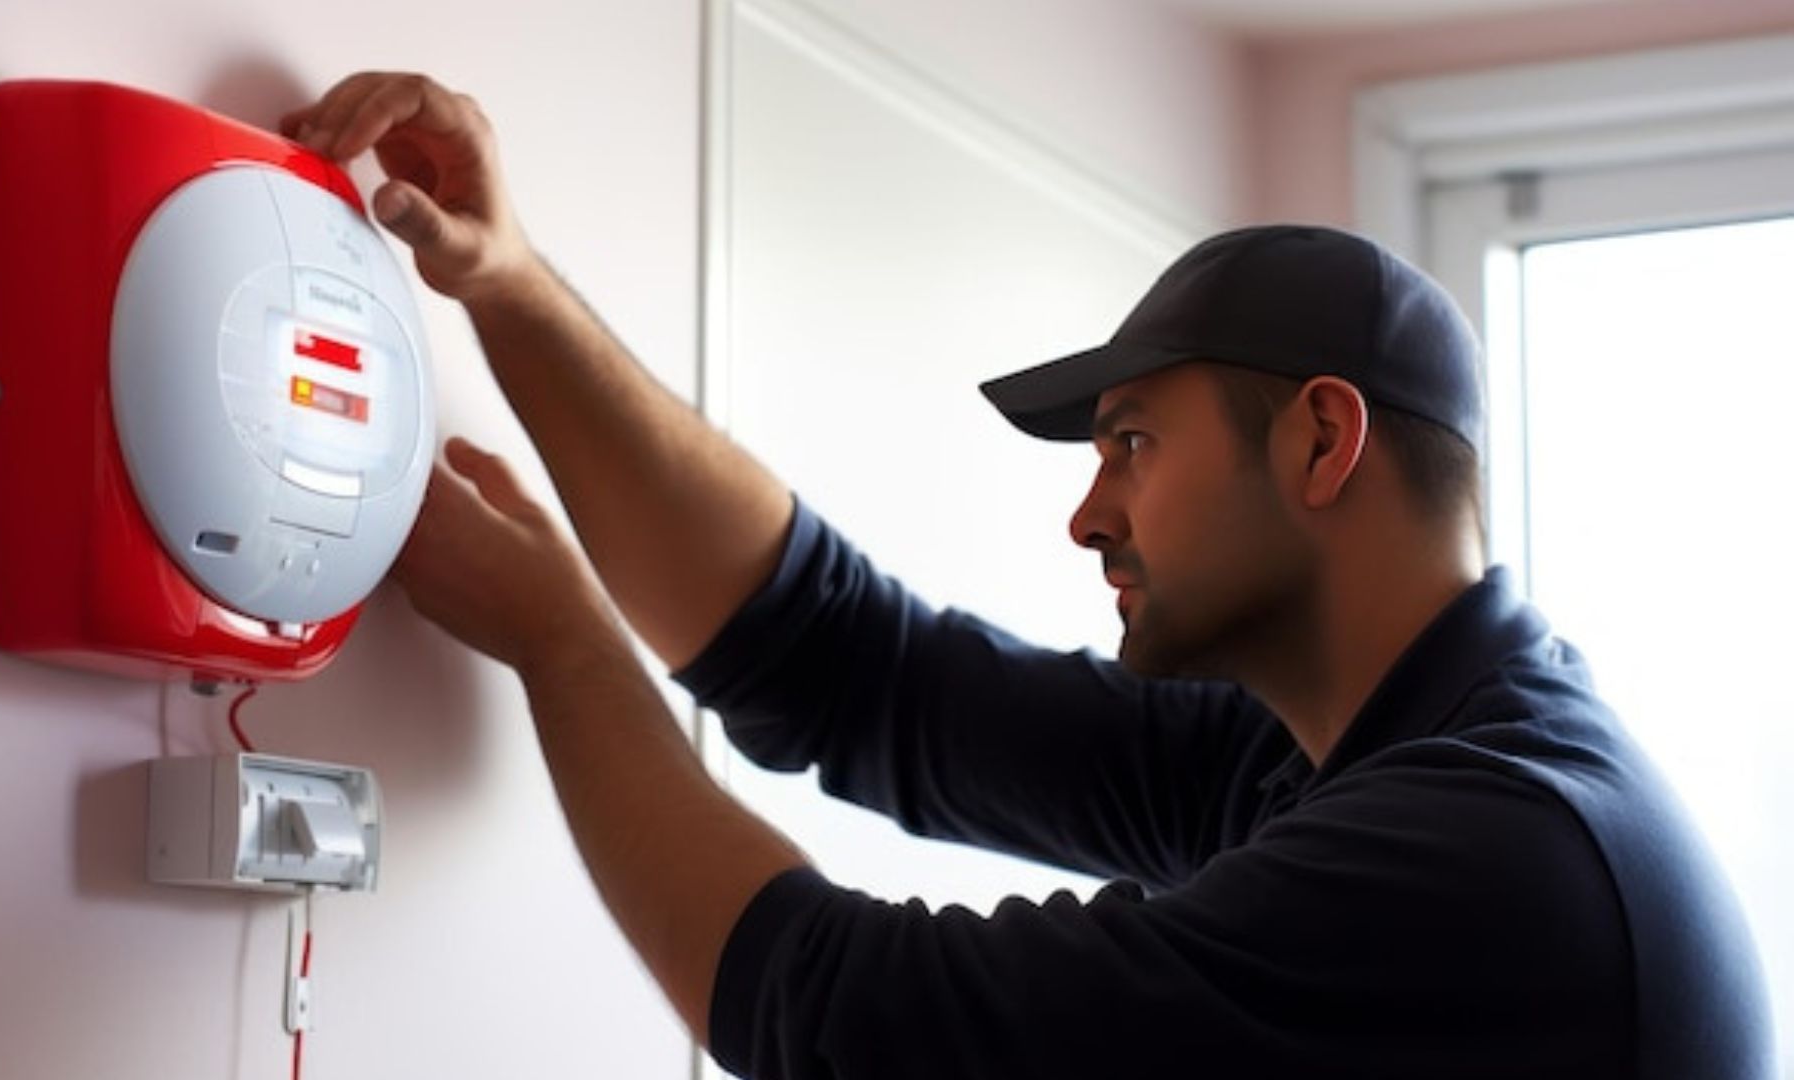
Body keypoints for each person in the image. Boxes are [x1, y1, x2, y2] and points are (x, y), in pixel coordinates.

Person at [281, 73, 1774, 1079]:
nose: (1089, 514)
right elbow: (855, 672)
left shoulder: (1488, 857)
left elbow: (851, 1021)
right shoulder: (1348, 745)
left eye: (1132, 443)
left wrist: (558, 638)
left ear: (1323, 442)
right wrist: (510, 286)